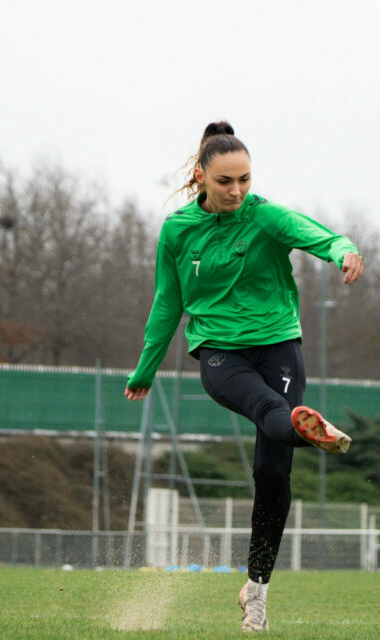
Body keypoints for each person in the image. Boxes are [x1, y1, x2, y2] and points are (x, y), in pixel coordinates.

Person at [124, 121, 364, 632]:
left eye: (245, 181)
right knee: (265, 410)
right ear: (200, 178)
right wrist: (146, 367)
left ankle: (256, 591)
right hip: (218, 353)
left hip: (278, 343)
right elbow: (168, 302)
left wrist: (342, 251)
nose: (236, 191)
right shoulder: (177, 231)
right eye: (225, 182)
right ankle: (306, 427)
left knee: (273, 474)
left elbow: (316, 234)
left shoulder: (265, 216)